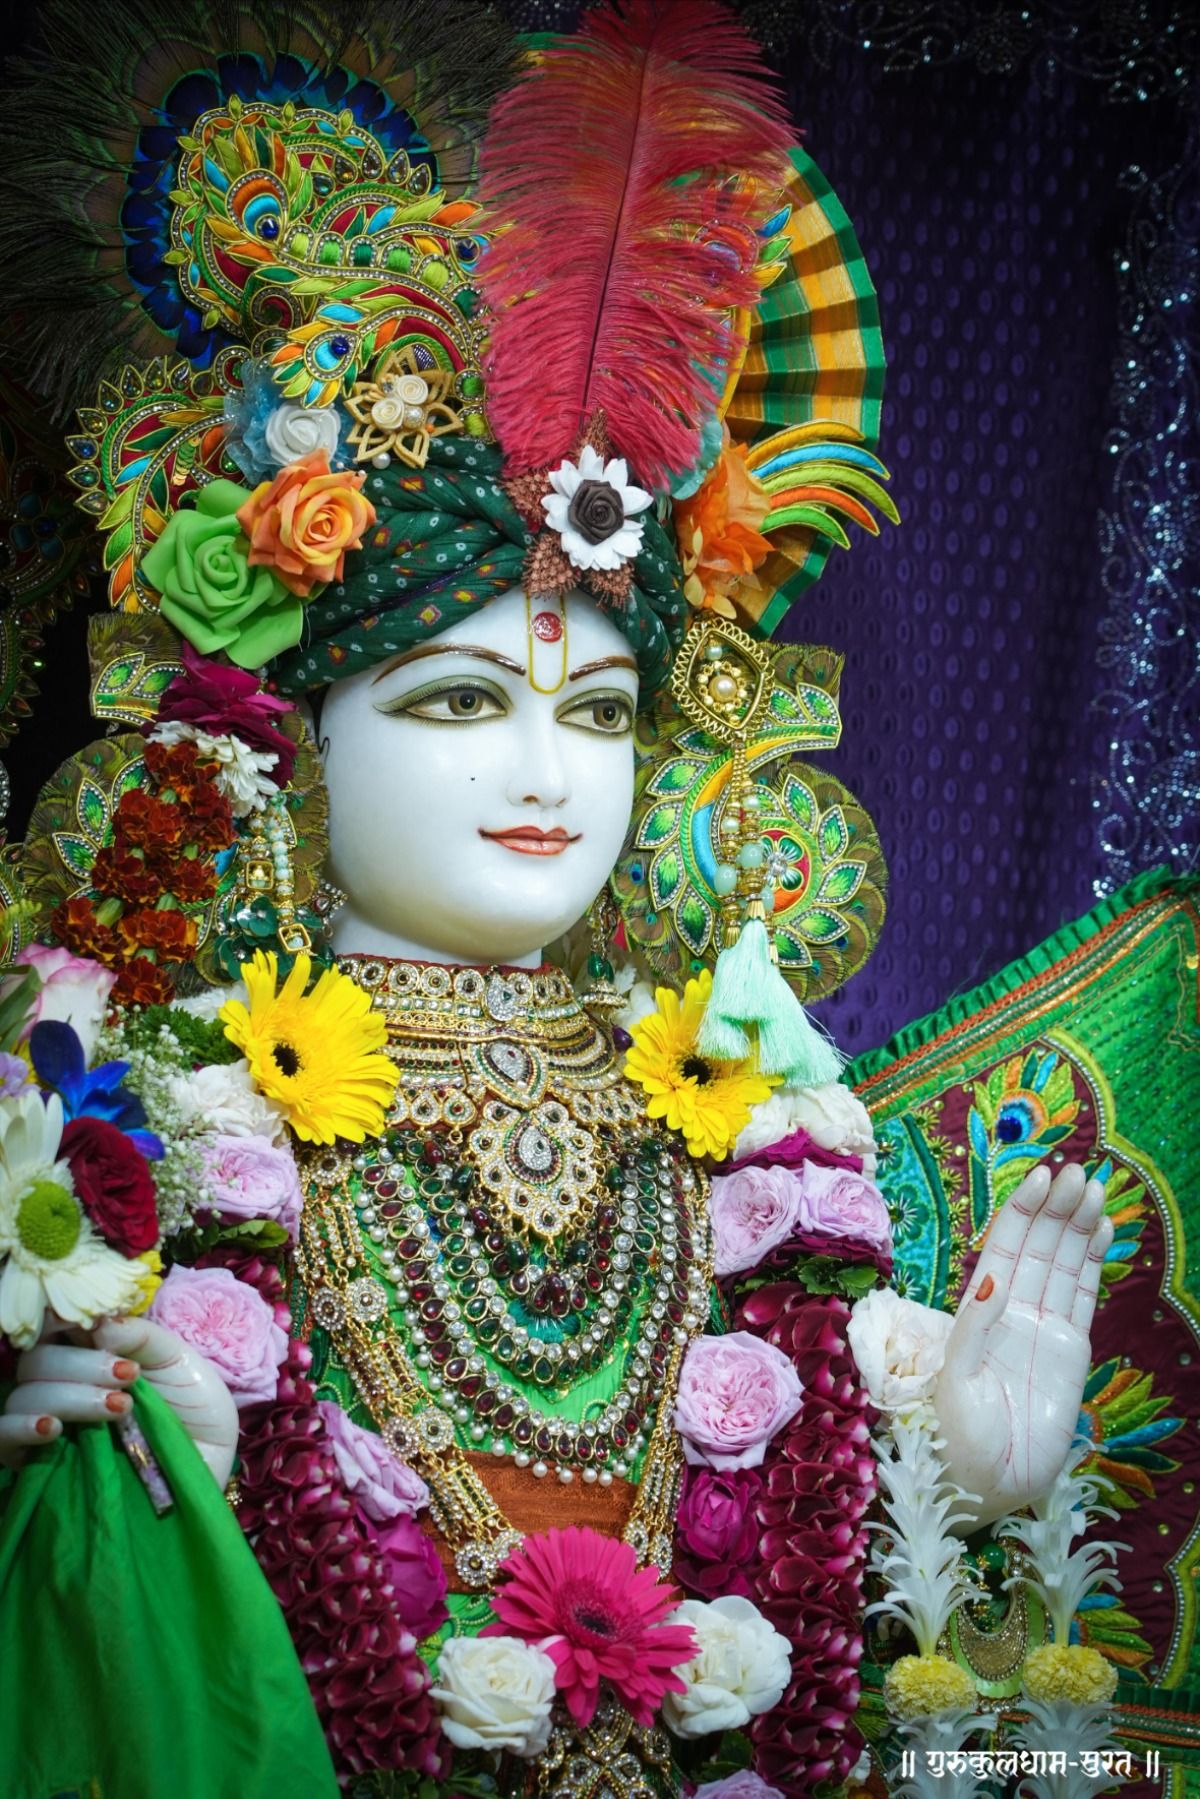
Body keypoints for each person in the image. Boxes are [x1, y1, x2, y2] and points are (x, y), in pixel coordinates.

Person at [0, 2, 1115, 1793]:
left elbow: (831, 1462)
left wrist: (967, 1457)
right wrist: (77, 1446)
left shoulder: (764, 1120)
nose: (546, 773)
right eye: (458, 702)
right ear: (294, 732)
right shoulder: (153, 1126)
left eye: (597, 713)